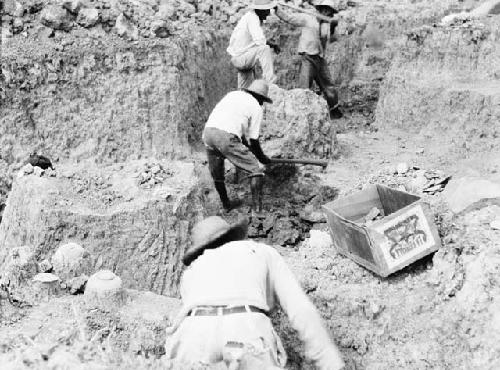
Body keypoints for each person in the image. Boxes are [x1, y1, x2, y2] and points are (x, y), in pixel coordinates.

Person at [165, 216, 346, 370]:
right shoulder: (261, 251)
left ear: (200, 250)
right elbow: (300, 309)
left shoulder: (191, 272)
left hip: (191, 338)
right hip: (244, 329)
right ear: (232, 236)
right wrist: (330, 361)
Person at [202, 79, 273, 213]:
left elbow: (241, 139)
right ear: (260, 97)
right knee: (255, 169)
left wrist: (247, 150)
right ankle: (257, 212)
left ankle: (226, 205)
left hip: (208, 134)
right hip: (225, 138)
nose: (262, 103)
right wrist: (261, 158)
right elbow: (254, 140)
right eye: (262, 100)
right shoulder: (256, 107)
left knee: (217, 174)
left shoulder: (233, 95)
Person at [275, 0, 343, 119]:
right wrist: (276, 9)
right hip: (307, 57)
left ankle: (334, 109)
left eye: (329, 11)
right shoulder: (307, 18)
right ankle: (302, 113)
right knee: (304, 86)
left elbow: (331, 39)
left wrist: (333, 27)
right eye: (325, 9)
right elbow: (289, 18)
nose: (326, 12)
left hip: (320, 58)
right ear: (320, 9)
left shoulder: (327, 24)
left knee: (328, 85)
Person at [227, 0, 280, 89]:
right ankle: (270, 82)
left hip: (239, 57)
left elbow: (256, 40)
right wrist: (271, 45)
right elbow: (260, 41)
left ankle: (242, 97)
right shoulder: (253, 19)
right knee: (264, 48)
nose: (268, 14)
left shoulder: (249, 16)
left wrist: (273, 45)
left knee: (244, 90)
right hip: (241, 59)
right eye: (267, 11)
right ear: (261, 10)